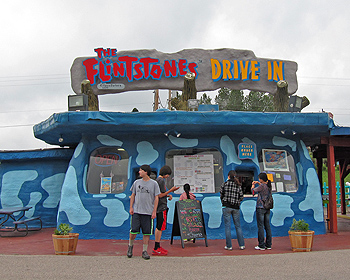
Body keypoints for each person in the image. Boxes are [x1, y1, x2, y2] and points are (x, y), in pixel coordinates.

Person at [127, 164, 160, 260]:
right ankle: (130, 247)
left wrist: (154, 211)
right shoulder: (137, 182)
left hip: (148, 212)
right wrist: (131, 207)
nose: (139, 172)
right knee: (133, 231)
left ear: (146, 172)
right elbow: (133, 195)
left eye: (141, 170)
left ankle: (144, 251)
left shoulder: (154, 184)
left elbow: (156, 197)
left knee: (146, 233)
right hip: (137, 211)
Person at [153, 165, 180, 256]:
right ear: (165, 173)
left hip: (160, 206)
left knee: (160, 227)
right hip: (161, 207)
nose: (168, 176)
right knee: (159, 227)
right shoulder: (160, 181)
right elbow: (159, 195)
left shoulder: (158, 180)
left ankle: (157, 246)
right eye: (168, 174)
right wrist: (171, 191)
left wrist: (167, 195)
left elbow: (160, 194)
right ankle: (156, 247)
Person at [220, 170, 245, 250]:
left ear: (228, 176)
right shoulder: (238, 185)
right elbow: (241, 197)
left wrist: (224, 201)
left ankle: (229, 246)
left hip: (226, 206)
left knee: (227, 226)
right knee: (238, 226)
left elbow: (221, 194)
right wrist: (237, 201)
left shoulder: (225, 184)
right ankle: (241, 245)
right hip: (236, 207)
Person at [251, 172, 272, 251]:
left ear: (261, 179)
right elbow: (263, 187)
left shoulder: (262, 186)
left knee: (260, 226)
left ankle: (261, 245)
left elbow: (253, 191)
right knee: (267, 226)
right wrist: (259, 183)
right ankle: (268, 244)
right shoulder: (269, 185)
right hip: (267, 208)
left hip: (260, 207)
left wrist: (253, 185)